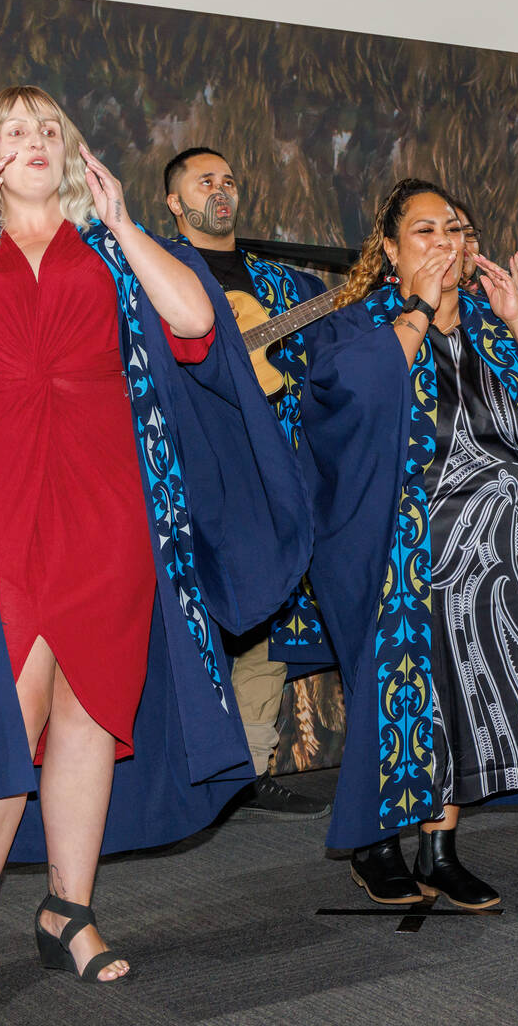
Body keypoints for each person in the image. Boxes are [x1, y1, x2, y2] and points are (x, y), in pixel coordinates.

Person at [0, 88, 309, 1003]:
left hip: (108, 507)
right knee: (5, 716)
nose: (36, 142)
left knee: (92, 712)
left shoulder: (110, 247)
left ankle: (69, 910)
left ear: (72, 152)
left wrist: (126, 223)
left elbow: (196, 322)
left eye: (49, 130)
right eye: (15, 131)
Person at [301, 179, 518, 911]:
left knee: (472, 701)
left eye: (453, 229)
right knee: (405, 700)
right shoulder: (360, 327)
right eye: (424, 231)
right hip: (402, 556)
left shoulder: (493, 324)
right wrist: (418, 309)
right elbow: (358, 398)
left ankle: (441, 850)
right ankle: (377, 845)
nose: (444, 242)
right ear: (390, 251)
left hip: (499, 558)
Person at [162, 145, 331, 816]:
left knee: (267, 610)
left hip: (273, 467)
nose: (221, 189)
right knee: (188, 615)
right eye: (204, 181)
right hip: (190, 470)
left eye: (229, 179)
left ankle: (249, 770)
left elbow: (329, 357)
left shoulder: (282, 284)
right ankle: (186, 771)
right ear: (174, 202)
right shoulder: (157, 272)